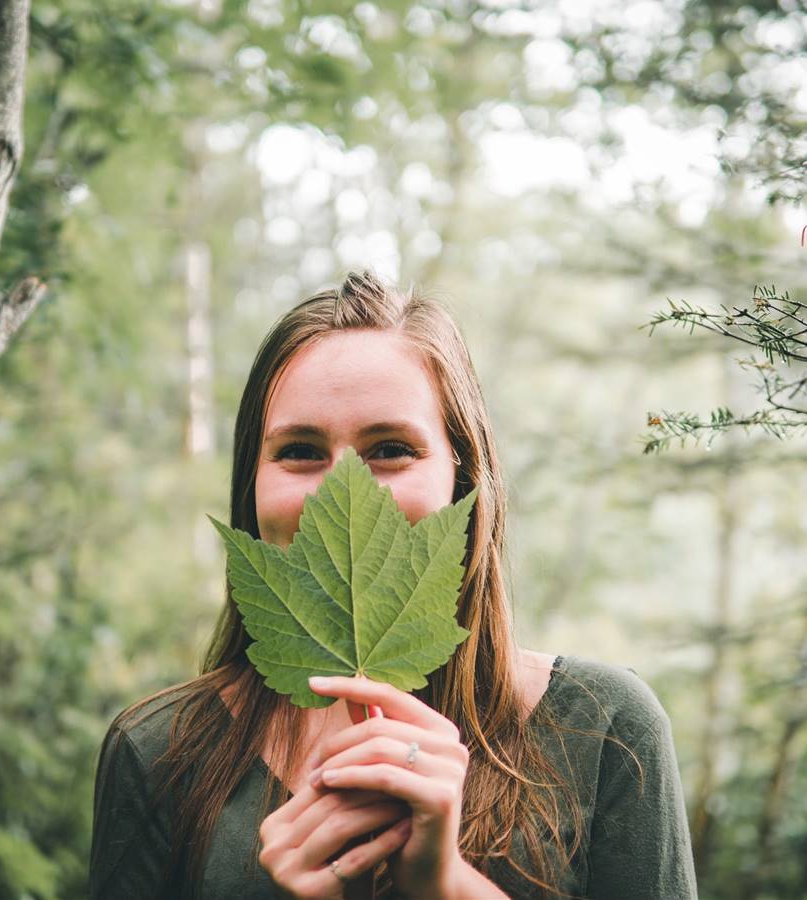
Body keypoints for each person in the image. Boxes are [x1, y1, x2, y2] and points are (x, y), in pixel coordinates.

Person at [89, 271, 698, 899]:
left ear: (463, 479)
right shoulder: (160, 751)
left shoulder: (605, 729)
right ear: (252, 485)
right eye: (299, 449)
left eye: (391, 448)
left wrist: (446, 888)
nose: (343, 493)